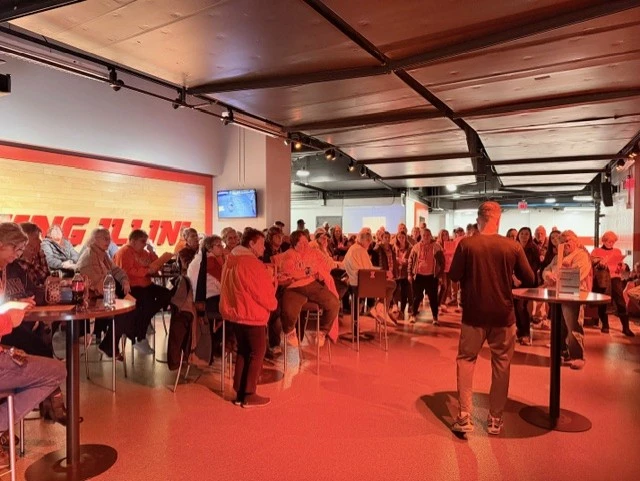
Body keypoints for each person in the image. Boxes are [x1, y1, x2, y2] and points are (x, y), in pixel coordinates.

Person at [449, 202, 535, 436]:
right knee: (501, 364)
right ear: (498, 220)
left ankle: (464, 416)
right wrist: (510, 278)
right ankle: (495, 419)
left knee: (466, 360)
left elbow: (454, 275)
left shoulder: (466, 244)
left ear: (479, 219)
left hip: (473, 315)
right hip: (503, 315)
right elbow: (530, 278)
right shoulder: (512, 246)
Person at [0, 222, 67, 465]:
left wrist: (12, 307)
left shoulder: (9, 268)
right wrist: (9, 319)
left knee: (39, 347)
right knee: (55, 370)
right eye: (16, 250)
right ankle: (4, 425)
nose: (18, 255)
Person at [220, 228, 277, 408]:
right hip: (252, 313)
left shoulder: (231, 259)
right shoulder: (251, 264)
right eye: (261, 244)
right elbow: (261, 292)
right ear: (251, 244)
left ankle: (240, 393)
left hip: (236, 313)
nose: (264, 248)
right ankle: (250, 394)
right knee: (257, 352)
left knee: (243, 351)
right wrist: (273, 299)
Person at [274, 231, 340, 347]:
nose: (305, 245)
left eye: (306, 242)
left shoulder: (313, 252)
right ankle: (290, 332)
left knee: (334, 303)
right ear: (295, 243)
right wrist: (309, 271)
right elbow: (290, 273)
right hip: (293, 287)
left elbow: (327, 265)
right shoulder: (288, 255)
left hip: (311, 284)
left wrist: (319, 270)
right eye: (302, 242)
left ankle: (322, 332)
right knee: (288, 310)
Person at [76, 228, 134, 359]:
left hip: (104, 297)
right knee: (126, 312)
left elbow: (116, 270)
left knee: (133, 305)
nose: (108, 241)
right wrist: (115, 297)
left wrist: (124, 280)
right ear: (94, 240)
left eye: (109, 238)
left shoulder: (103, 254)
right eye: (105, 238)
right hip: (92, 301)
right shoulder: (89, 257)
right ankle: (110, 344)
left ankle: (110, 343)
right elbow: (97, 285)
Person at [113, 229, 171, 354]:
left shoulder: (144, 252)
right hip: (132, 287)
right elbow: (126, 271)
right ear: (133, 241)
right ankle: (140, 336)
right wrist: (146, 271)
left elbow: (155, 264)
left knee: (166, 294)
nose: (145, 244)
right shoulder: (124, 252)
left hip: (146, 284)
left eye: (146, 241)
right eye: (142, 241)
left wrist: (152, 253)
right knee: (146, 303)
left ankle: (145, 320)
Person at [542, 230, 592, 369]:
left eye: (568, 240)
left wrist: (557, 275)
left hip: (573, 295)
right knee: (559, 325)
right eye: (562, 242)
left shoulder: (581, 255)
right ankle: (562, 352)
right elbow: (546, 270)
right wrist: (548, 275)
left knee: (573, 326)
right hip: (557, 295)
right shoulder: (557, 257)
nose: (565, 244)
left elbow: (578, 273)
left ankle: (578, 356)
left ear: (576, 241)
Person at [343, 230, 396, 325]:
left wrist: (382, 271)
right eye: (369, 241)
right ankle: (379, 307)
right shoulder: (360, 250)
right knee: (392, 284)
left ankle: (379, 308)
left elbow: (366, 268)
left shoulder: (352, 248)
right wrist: (384, 273)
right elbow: (368, 270)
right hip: (363, 283)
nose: (369, 244)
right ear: (364, 240)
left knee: (388, 282)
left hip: (356, 282)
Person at [591, 231, 634, 337]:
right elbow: (592, 264)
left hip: (615, 278)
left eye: (613, 242)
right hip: (602, 279)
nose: (611, 244)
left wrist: (622, 267)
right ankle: (605, 325)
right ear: (604, 241)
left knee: (620, 302)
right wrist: (599, 263)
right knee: (603, 302)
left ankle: (626, 328)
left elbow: (620, 267)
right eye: (609, 241)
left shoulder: (617, 251)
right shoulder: (596, 251)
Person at [408, 228, 444, 325]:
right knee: (416, 297)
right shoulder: (416, 247)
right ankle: (413, 315)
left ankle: (435, 318)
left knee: (433, 298)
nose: (426, 237)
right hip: (418, 276)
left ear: (431, 236)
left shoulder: (437, 247)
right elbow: (410, 261)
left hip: (432, 276)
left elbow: (442, 262)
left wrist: (440, 275)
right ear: (421, 236)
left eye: (428, 235)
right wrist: (409, 274)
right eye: (424, 235)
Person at [514, 227, 541, 346]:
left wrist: (526, 275)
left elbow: (535, 266)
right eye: (522, 234)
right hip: (515, 282)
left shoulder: (533, 249)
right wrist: (514, 278)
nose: (524, 236)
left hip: (528, 282)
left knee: (522, 306)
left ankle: (526, 333)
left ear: (530, 236)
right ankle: (520, 331)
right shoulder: (514, 247)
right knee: (516, 307)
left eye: (527, 234)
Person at [17, 222, 50, 287]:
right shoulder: (15, 262)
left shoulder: (41, 253)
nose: (40, 241)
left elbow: (49, 276)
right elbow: (27, 287)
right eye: (36, 238)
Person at [393, 230, 412, 320]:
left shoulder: (410, 248)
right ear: (397, 238)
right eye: (399, 237)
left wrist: (406, 261)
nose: (401, 239)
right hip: (396, 273)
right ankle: (395, 307)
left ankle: (402, 310)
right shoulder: (394, 247)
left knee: (404, 292)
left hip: (405, 272)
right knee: (394, 291)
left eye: (403, 237)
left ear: (405, 238)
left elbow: (412, 259)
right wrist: (396, 260)